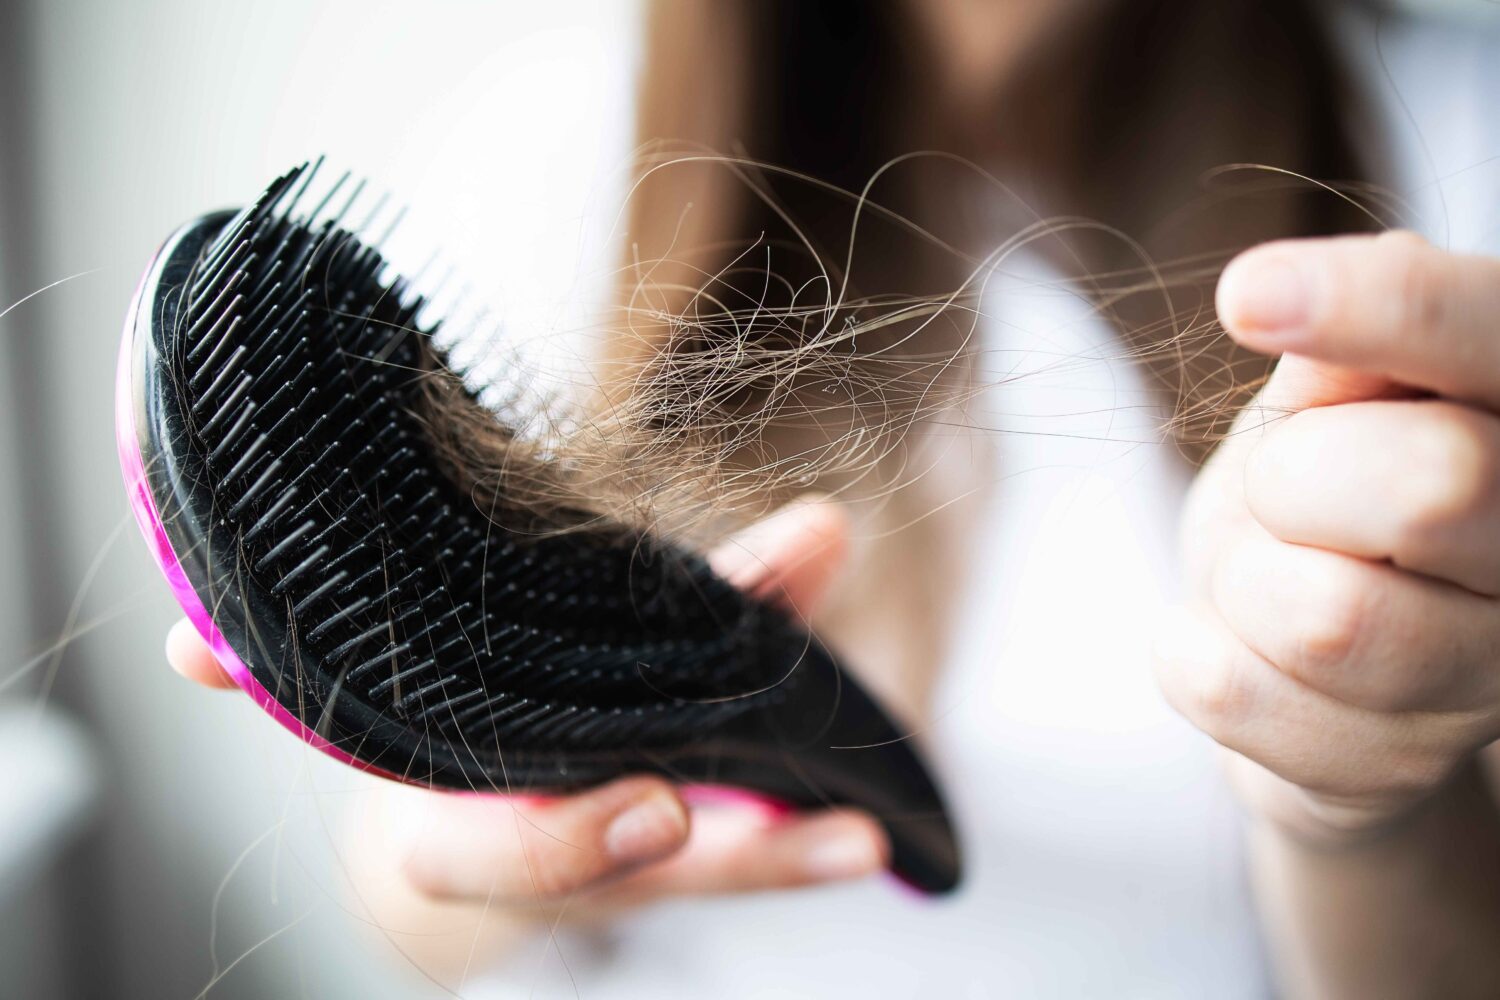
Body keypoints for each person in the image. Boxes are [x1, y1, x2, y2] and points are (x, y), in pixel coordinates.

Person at [166, 0, 1500, 995]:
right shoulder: (560, 143)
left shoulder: (1456, 157)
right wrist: (476, 843)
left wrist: (1366, 807)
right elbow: (412, 904)